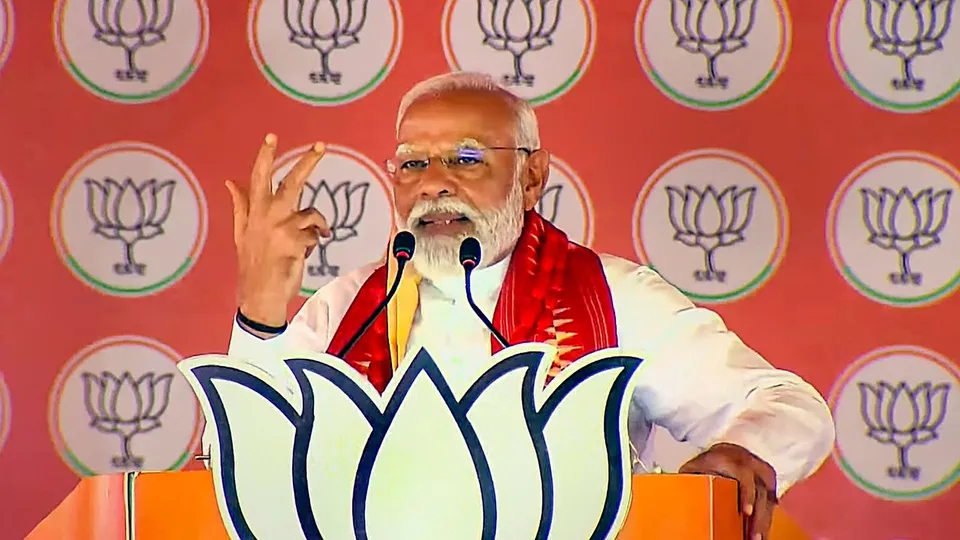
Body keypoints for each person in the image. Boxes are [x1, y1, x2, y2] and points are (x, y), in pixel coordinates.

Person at [220, 71, 835, 540]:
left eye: (465, 159)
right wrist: (261, 309)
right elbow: (249, 461)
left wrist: (742, 452)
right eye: (412, 164)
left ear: (533, 177)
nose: (433, 183)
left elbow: (789, 405)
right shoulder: (350, 308)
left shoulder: (615, 297)